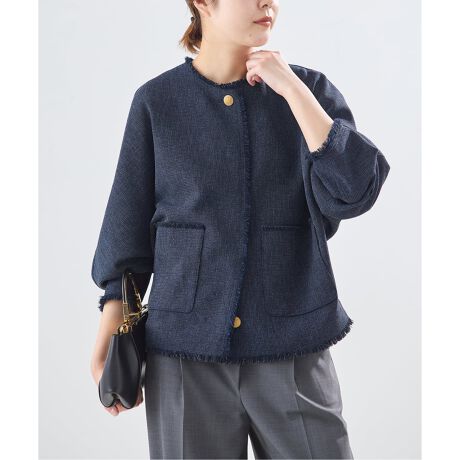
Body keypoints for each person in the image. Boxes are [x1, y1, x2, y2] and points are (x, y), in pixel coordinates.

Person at [90, 0, 391, 458]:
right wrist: (108, 335)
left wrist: (291, 89)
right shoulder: (157, 101)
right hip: (184, 352)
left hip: (292, 342)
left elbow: (355, 191)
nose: (268, 3)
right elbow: (127, 225)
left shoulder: (308, 91)